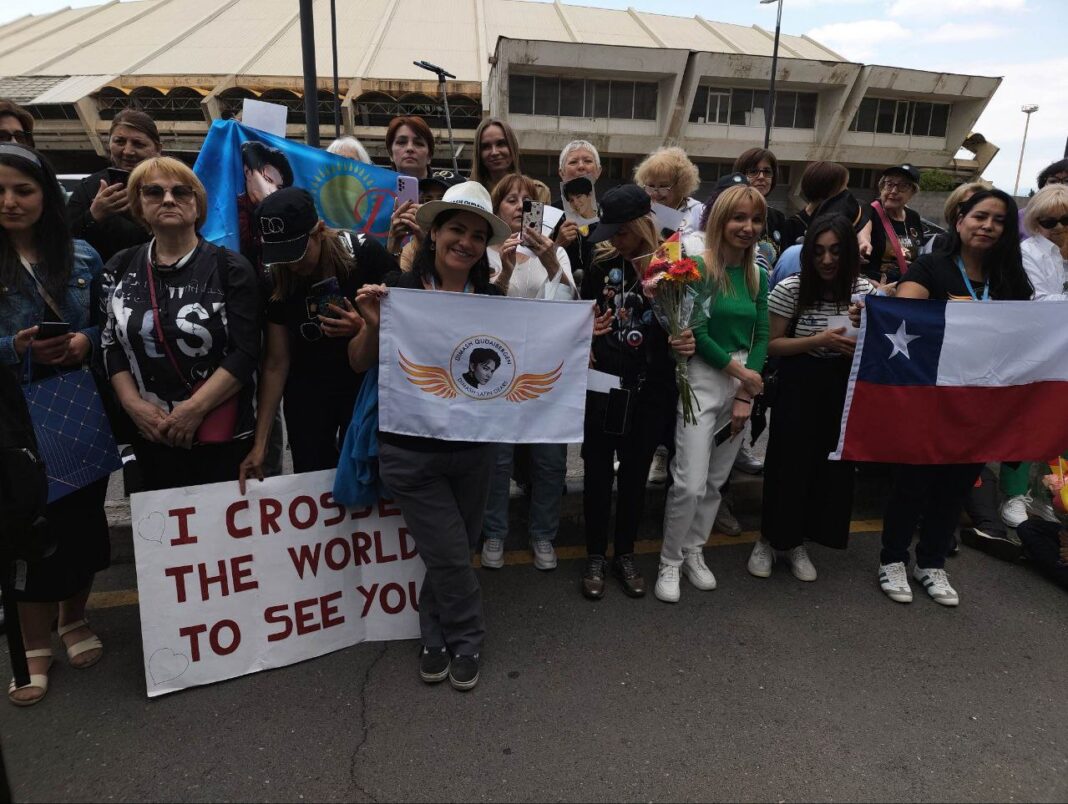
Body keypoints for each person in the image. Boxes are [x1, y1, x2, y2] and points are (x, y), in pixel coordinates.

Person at [346, 181, 511, 691]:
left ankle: (433, 632)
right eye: (456, 230)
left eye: (477, 235)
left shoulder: (493, 299)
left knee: (454, 548)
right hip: (409, 448)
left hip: (472, 448)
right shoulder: (397, 288)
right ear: (434, 233)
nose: (465, 241)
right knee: (447, 549)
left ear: (485, 247)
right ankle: (466, 637)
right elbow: (357, 363)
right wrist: (373, 325)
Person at [853, 189, 1033, 607]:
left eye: (999, 220)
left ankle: (932, 563)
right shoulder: (932, 266)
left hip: (980, 399)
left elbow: (1026, 333)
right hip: (930, 396)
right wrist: (879, 310)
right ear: (960, 220)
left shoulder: (1011, 277)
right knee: (912, 483)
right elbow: (907, 314)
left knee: (956, 485)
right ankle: (893, 559)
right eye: (980, 216)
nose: (988, 226)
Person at [0, 144, 107, 706]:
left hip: (73, 402)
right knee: (24, 527)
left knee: (81, 518)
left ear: (46, 194)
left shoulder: (84, 257)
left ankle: (75, 618)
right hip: (11, 416)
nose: (11, 202)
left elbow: (105, 324)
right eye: (0, 191)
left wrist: (85, 340)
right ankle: (32, 640)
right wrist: (12, 346)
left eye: (23, 190)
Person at [101, 157, 262, 492]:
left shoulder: (231, 268)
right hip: (150, 434)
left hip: (221, 436)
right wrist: (133, 407)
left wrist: (192, 410)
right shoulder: (118, 267)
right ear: (139, 205)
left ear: (197, 203)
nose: (169, 200)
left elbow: (246, 351)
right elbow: (111, 344)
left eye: (181, 192)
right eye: (155, 192)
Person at [579, 184, 693, 600]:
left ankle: (624, 552)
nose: (613, 240)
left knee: (633, 476)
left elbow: (687, 324)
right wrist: (586, 337)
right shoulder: (598, 266)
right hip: (603, 387)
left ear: (644, 224)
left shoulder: (675, 265)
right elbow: (581, 317)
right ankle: (594, 553)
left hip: (651, 390)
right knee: (595, 472)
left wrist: (685, 338)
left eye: (621, 232)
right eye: (609, 232)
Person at [656, 184, 768, 604]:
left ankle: (693, 550)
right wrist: (743, 374)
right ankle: (669, 558)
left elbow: (761, 335)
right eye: (739, 218)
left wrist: (746, 391)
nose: (747, 227)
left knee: (716, 480)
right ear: (720, 220)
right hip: (704, 377)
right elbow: (695, 333)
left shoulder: (760, 274)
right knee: (689, 480)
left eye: (755, 219)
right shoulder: (697, 268)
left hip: (741, 384)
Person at [237, 187, 392, 490]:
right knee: (312, 476)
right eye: (282, 255)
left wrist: (363, 326)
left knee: (365, 473)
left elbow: (404, 329)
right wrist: (261, 443)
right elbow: (275, 362)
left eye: (297, 252)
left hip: (362, 384)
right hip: (307, 385)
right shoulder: (274, 275)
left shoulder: (366, 254)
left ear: (320, 231)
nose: (292, 264)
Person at [749, 214, 874, 581]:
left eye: (836, 251)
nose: (827, 260)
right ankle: (768, 539)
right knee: (787, 466)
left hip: (843, 390)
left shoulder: (865, 291)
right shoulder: (790, 287)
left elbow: (882, 349)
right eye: (818, 251)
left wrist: (865, 331)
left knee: (828, 470)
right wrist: (817, 342)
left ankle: (798, 542)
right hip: (798, 385)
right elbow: (770, 344)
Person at [480, 174, 575, 572]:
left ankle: (543, 535)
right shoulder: (484, 251)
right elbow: (479, 312)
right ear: (497, 209)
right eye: (511, 200)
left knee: (549, 460)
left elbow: (571, 305)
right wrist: (502, 270)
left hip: (545, 375)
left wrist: (552, 259)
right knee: (498, 461)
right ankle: (495, 533)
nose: (520, 206)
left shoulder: (557, 253)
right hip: (497, 375)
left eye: (528, 200)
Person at [67, 109, 161, 262]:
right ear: (109, 143)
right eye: (120, 141)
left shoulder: (171, 188)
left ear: (158, 149)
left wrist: (141, 217)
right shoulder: (88, 188)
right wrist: (93, 216)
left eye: (138, 144)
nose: (128, 151)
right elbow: (63, 241)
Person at [867, 164, 924, 288]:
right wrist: (868, 283)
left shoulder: (913, 217)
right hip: (874, 289)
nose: (893, 191)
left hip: (905, 287)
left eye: (903, 186)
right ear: (882, 187)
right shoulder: (869, 213)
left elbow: (919, 251)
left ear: (912, 192)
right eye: (889, 184)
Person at [553, 140, 602, 281]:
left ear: (598, 171)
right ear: (561, 173)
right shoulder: (549, 214)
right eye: (573, 162)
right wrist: (558, 244)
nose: (581, 166)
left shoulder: (609, 214)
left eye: (587, 161)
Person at [469, 118, 551, 203]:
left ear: (512, 147)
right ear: (478, 154)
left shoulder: (538, 191)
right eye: (486, 146)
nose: (494, 152)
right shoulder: (468, 195)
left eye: (501, 144)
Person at [634, 146, 703, 236]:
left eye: (663, 186)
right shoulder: (642, 213)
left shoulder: (698, 212)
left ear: (680, 185)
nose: (655, 193)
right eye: (650, 186)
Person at [733, 147, 786, 264]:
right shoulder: (729, 213)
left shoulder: (778, 218)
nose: (761, 177)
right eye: (753, 171)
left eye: (767, 172)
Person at [922, 180, 992, 255]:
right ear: (953, 208)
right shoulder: (938, 244)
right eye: (968, 205)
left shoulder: (998, 247)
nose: (976, 211)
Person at [386, 115, 434, 179]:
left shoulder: (448, 188)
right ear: (390, 154)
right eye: (401, 142)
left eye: (418, 143)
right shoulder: (374, 188)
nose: (410, 148)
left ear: (429, 156)